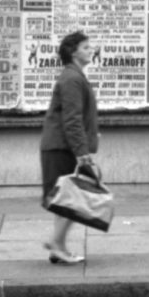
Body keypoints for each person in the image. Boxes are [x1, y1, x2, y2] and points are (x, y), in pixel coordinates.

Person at [40, 31, 99, 264]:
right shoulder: (72, 79)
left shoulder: (73, 76)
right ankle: (56, 242)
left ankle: (58, 246)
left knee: (65, 199)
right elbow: (72, 120)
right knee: (73, 199)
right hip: (63, 147)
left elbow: (76, 118)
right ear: (73, 52)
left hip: (61, 146)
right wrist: (82, 153)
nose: (90, 50)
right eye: (85, 47)